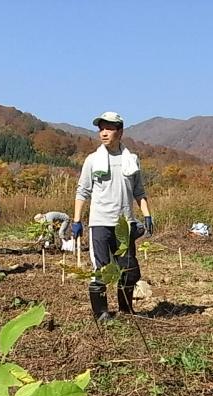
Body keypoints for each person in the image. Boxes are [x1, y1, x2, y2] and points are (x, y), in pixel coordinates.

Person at [72, 111, 153, 319]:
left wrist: (146, 215)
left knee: (130, 271)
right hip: (100, 224)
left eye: (109, 128)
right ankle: (101, 313)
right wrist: (77, 221)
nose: (104, 133)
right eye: (101, 128)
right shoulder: (92, 160)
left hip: (124, 226)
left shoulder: (131, 160)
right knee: (101, 270)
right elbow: (82, 192)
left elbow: (139, 192)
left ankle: (126, 310)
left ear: (120, 131)